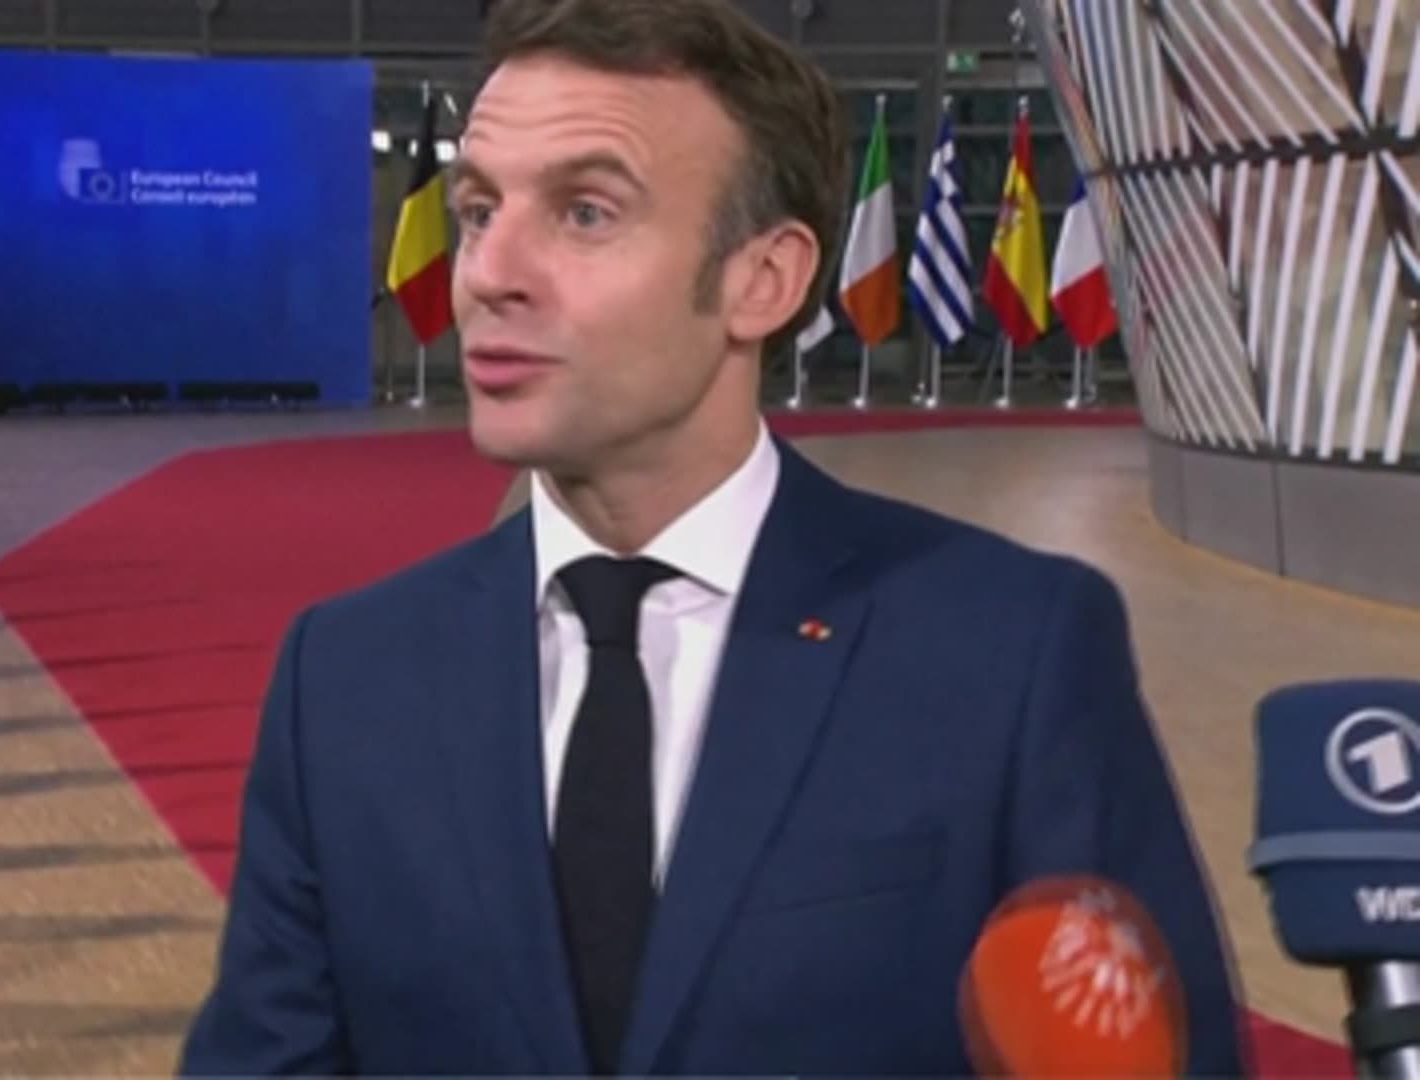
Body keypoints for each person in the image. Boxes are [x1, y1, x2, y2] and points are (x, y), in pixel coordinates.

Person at [178, 0, 1248, 1073]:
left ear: (762, 281)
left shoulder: (1009, 651)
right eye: (480, 208)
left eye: (585, 212)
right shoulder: (345, 677)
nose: (489, 272)